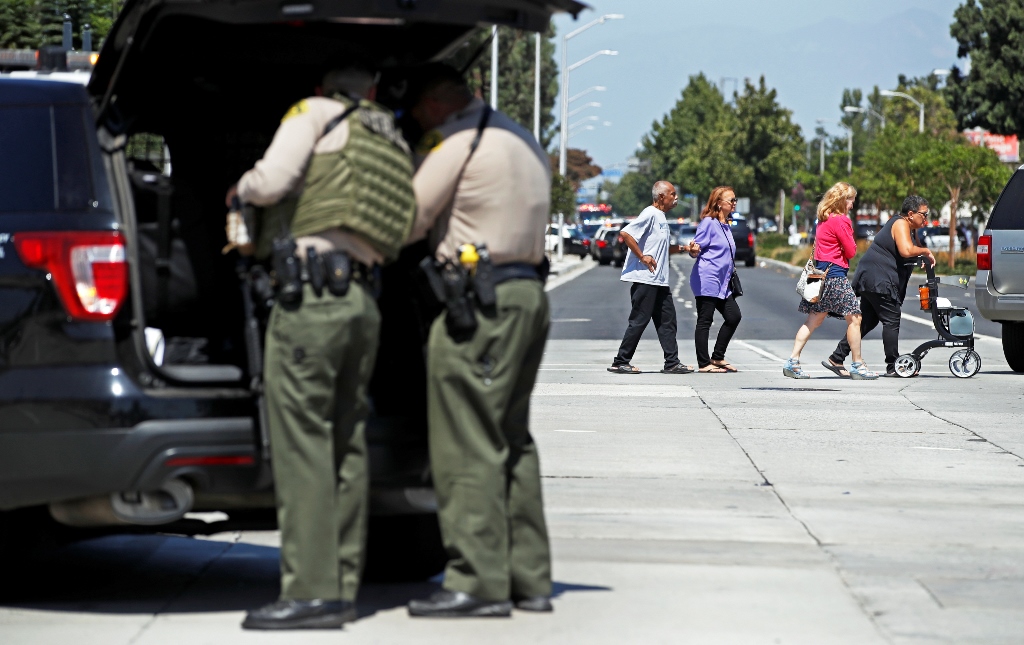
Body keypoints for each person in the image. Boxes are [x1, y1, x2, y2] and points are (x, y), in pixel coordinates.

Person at [228, 64, 416, 630]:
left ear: (321, 88)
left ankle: (309, 592)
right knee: (346, 444)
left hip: (310, 299)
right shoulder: (389, 132)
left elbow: (271, 181)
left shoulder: (312, 113)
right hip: (361, 300)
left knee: (303, 444)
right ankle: (340, 584)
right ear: (375, 92)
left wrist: (239, 189)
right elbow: (403, 224)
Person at [404, 64, 553, 618]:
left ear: (437, 104)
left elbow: (410, 218)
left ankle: (476, 581)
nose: (420, 122)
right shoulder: (523, 139)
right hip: (527, 297)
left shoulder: (459, 143)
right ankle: (528, 577)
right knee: (511, 438)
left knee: (466, 440)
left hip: (477, 305)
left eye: (420, 113)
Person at [823, 195, 935, 378]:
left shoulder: (908, 228)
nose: (926, 219)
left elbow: (908, 252)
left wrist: (920, 257)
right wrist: (926, 252)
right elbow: (906, 250)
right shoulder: (900, 224)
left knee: (868, 320)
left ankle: (837, 357)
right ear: (911, 213)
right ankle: (893, 366)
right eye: (924, 214)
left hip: (874, 277)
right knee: (891, 320)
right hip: (878, 279)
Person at [783, 182, 877, 380]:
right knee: (855, 318)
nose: (852, 204)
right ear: (842, 200)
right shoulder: (841, 220)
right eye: (851, 200)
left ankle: (792, 361)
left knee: (813, 319)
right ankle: (857, 364)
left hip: (818, 276)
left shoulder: (823, 219)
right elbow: (851, 250)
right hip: (834, 276)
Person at [607, 181, 699, 374]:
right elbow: (626, 233)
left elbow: (664, 249)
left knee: (667, 320)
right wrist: (642, 256)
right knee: (639, 320)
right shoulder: (650, 213)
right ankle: (620, 361)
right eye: (672, 194)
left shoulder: (661, 218)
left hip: (659, 280)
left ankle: (672, 362)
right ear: (660, 197)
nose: (676, 198)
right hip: (645, 279)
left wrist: (684, 248)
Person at [690, 186, 743, 373]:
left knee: (734, 316)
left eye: (735, 200)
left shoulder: (725, 224)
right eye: (731, 200)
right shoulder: (708, 223)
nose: (735, 203)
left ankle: (718, 357)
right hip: (707, 278)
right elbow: (696, 248)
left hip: (723, 281)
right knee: (705, 320)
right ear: (719, 203)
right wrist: (693, 250)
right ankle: (704, 363)